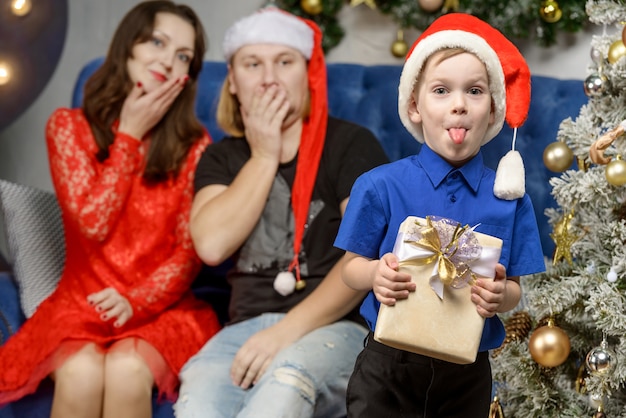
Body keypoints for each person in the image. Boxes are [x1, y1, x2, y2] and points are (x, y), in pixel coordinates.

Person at [0, 1, 221, 417]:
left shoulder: (194, 146)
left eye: (183, 57)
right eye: (158, 41)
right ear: (129, 46)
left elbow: (189, 251)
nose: (168, 62)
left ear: (187, 77)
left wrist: (135, 301)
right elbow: (91, 225)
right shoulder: (68, 127)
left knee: (125, 370)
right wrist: (130, 137)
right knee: (81, 374)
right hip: (80, 306)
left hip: (160, 309)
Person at [175, 7, 389, 418]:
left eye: (284, 62)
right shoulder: (221, 158)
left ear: (306, 74)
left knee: (285, 384)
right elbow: (212, 245)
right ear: (233, 82)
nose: (269, 77)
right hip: (244, 329)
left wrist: (284, 333)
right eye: (252, 64)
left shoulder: (349, 144)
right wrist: (264, 154)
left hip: (338, 327)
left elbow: (367, 252)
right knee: (198, 400)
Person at [334, 13, 546, 418]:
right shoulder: (379, 186)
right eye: (441, 90)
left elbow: (514, 288)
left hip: (466, 371)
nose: (459, 105)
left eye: (475, 91)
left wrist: (502, 296)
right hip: (388, 366)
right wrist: (375, 274)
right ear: (415, 106)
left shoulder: (511, 197)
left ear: (493, 108)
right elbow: (349, 268)